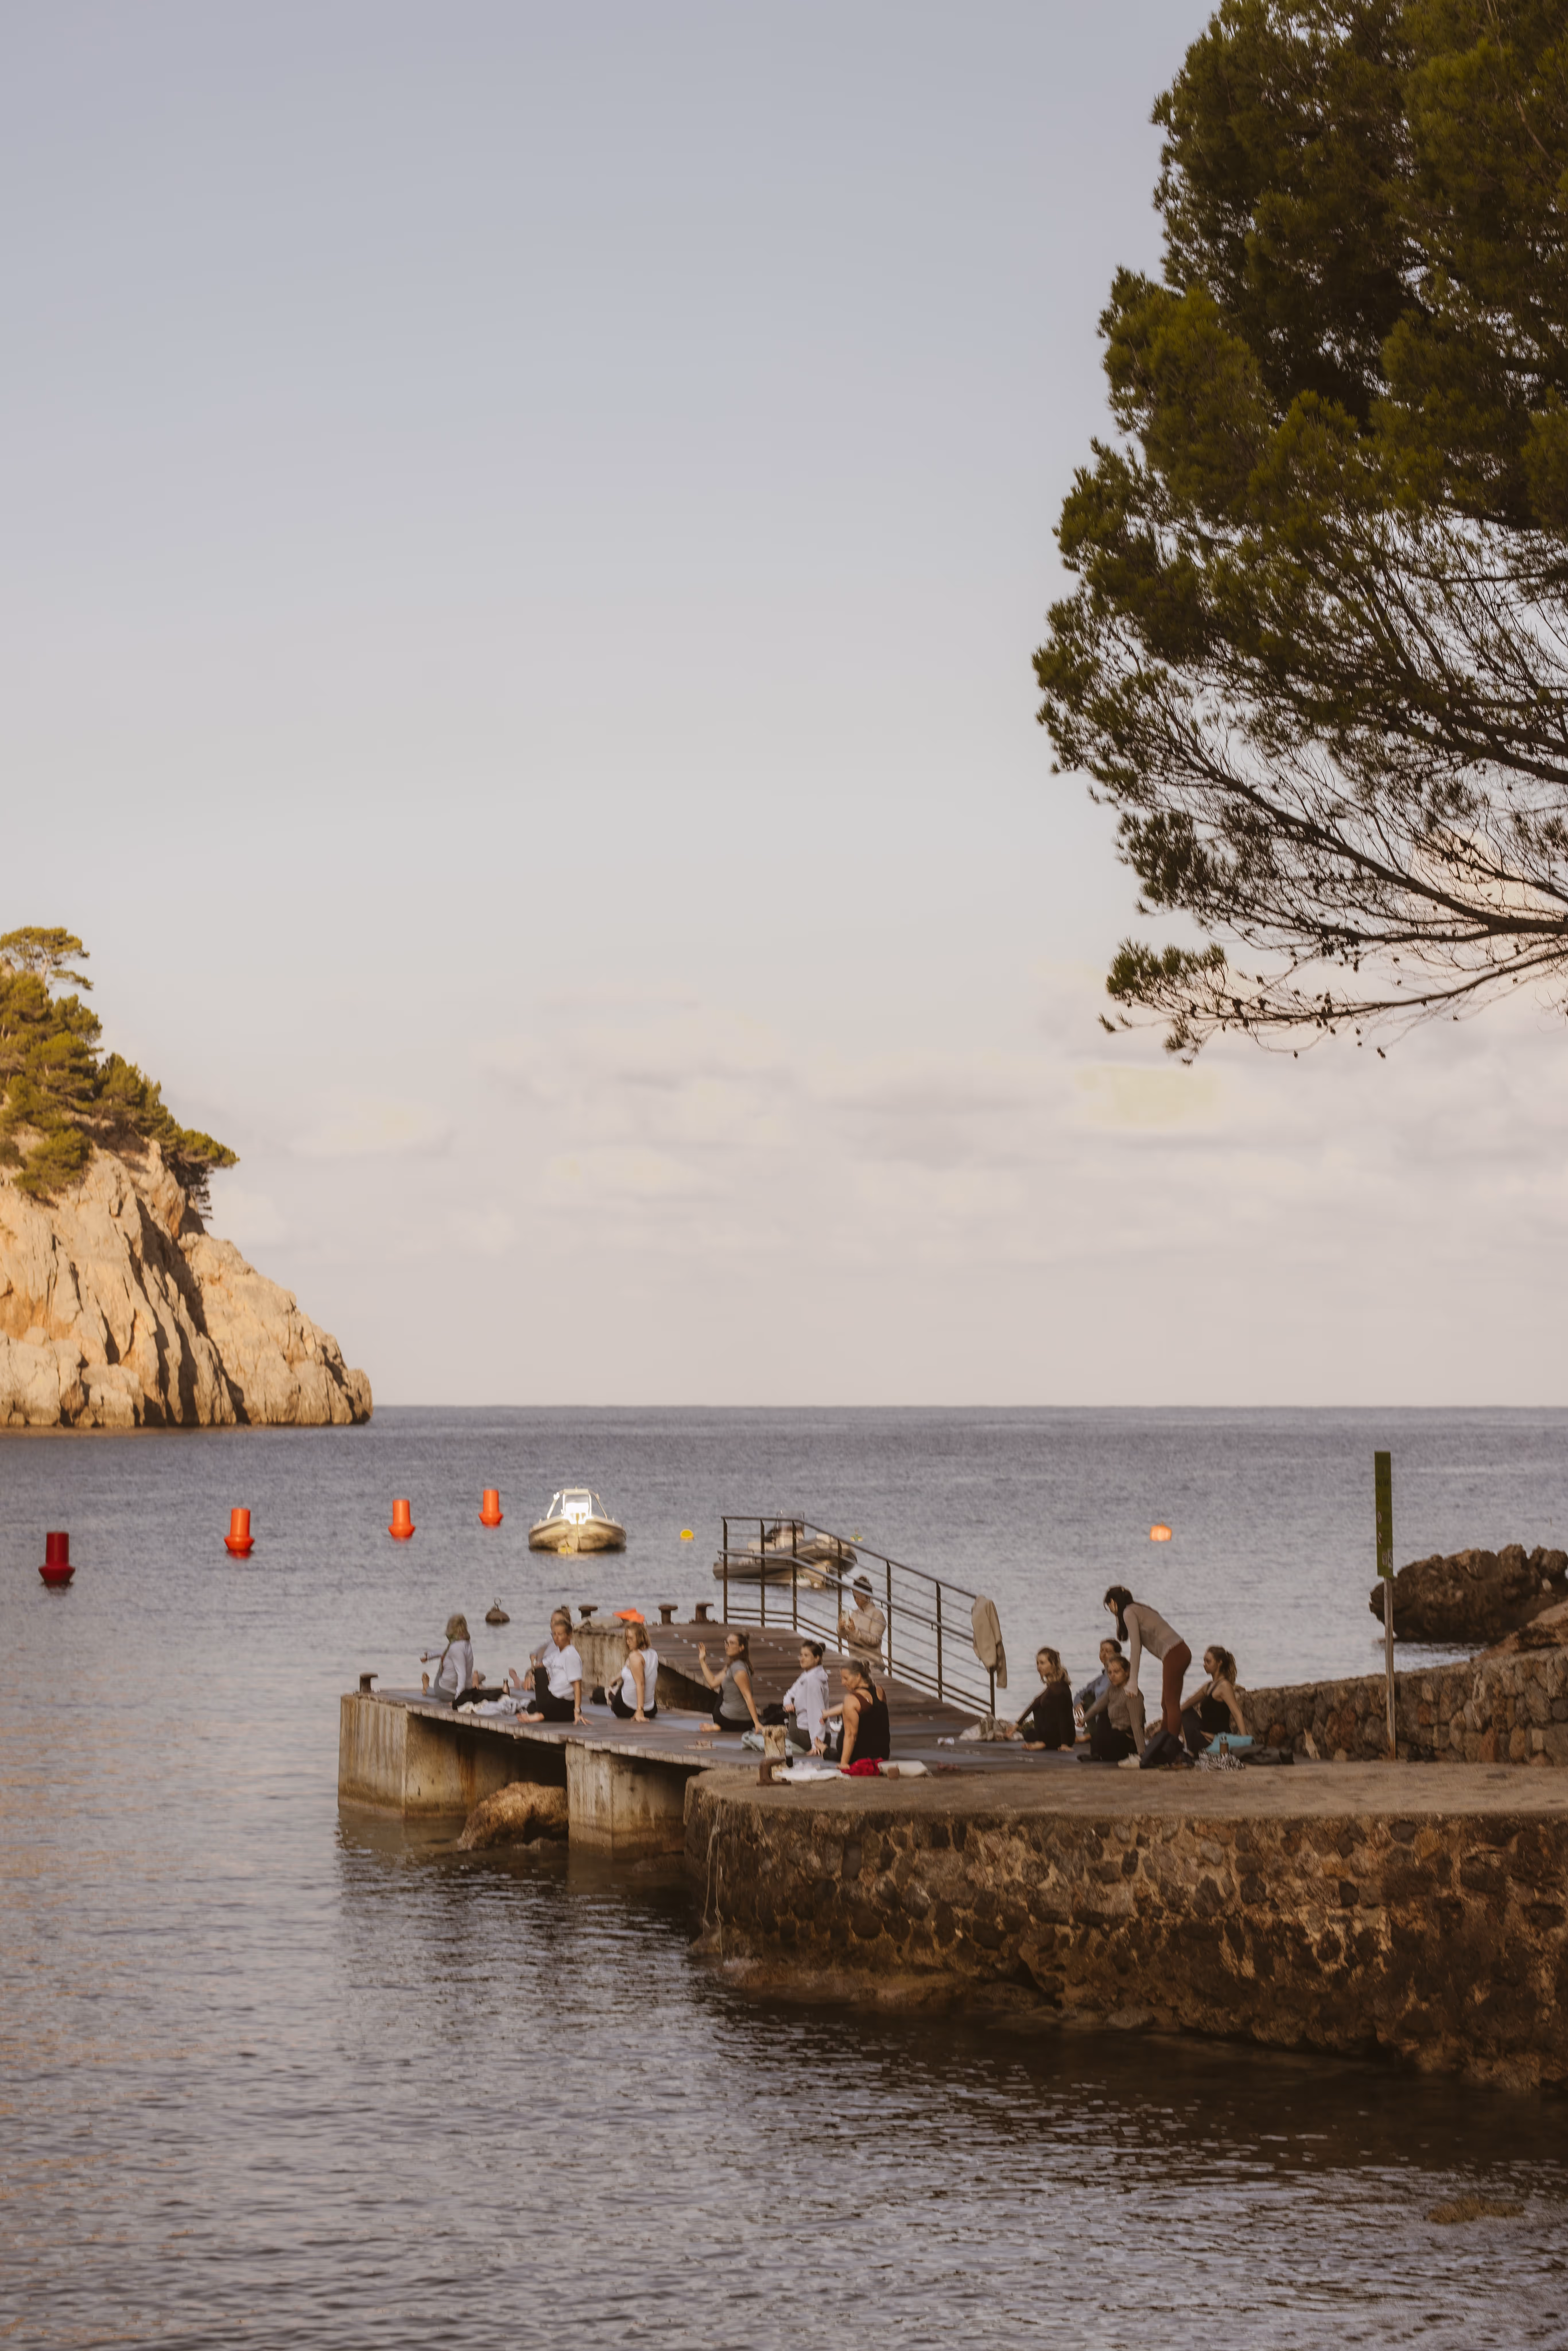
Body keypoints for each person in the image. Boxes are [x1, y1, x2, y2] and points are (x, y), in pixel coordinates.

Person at [1104, 1585, 1191, 1766]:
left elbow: (1136, 1648)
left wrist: (1132, 1682)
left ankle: (1173, 1754)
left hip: (1174, 1653)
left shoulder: (1129, 1612)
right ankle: (1163, 1746)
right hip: (1179, 1652)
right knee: (1166, 1703)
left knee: (1171, 1704)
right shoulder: (1138, 1609)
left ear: (1113, 1603)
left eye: (1110, 1607)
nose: (1112, 1612)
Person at [510, 1609, 584, 1725]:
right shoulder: (557, 1654)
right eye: (555, 1635)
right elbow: (539, 1665)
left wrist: (578, 1711)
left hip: (563, 1703)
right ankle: (540, 1715)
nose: (557, 1638)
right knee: (531, 1704)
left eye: (561, 1635)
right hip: (553, 1702)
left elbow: (577, 1685)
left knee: (540, 1673)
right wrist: (531, 1672)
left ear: (570, 1635)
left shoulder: (571, 1655)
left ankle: (540, 1715)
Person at [824, 1657, 890, 1768]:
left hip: (859, 1758)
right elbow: (862, 1707)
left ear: (858, 1676)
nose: (843, 1683)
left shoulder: (851, 1699)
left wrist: (844, 1764)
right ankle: (824, 1749)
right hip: (882, 1756)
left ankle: (823, 1749)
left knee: (838, 1748)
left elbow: (851, 1736)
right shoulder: (880, 1691)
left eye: (846, 1678)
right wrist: (827, 1714)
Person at [1181, 1646, 1247, 1755]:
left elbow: (1237, 1714)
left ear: (1220, 1663)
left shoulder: (1225, 1686)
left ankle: (1193, 1751)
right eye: (1204, 1661)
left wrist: (1246, 1742)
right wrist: (1164, 1724)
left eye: (1208, 1662)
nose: (1204, 1664)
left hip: (1218, 1741)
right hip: (1204, 1736)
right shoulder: (1208, 1687)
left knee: (1191, 1726)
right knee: (1186, 1712)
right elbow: (1185, 1706)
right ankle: (1191, 1749)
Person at [1080, 1652, 1145, 1763]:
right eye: (1110, 1673)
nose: (1112, 1676)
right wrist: (1084, 1719)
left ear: (1127, 1672)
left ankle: (1103, 1754)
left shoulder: (1132, 1694)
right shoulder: (1112, 1689)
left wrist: (1143, 1754)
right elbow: (1098, 1706)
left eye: (1117, 1672)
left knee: (1110, 1737)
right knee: (1102, 1715)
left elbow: (1137, 1725)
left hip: (1128, 1739)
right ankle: (1096, 1754)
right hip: (1115, 1732)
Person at [696, 1630, 763, 1733]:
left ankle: (719, 1726)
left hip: (729, 1720)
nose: (727, 1646)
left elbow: (748, 1696)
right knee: (726, 1684)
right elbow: (713, 1683)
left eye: (732, 1643)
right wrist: (703, 1661)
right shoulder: (736, 1665)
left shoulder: (738, 1669)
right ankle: (719, 1727)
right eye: (726, 1643)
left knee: (723, 1690)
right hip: (745, 1723)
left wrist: (757, 1723)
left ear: (742, 1648)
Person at [1010, 1647, 1076, 1749]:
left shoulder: (1058, 1688)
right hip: (1052, 1733)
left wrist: (1065, 1745)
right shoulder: (1053, 1685)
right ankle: (1043, 1742)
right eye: (1038, 1663)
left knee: (1038, 1716)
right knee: (1028, 1733)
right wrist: (1017, 1725)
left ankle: (1045, 1743)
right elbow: (1035, 1703)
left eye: (1042, 1663)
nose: (1039, 1667)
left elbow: (1062, 1716)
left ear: (1053, 1664)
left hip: (1064, 1737)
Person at [782, 1638, 831, 1753]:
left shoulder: (812, 1680)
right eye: (801, 1655)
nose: (802, 1659)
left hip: (809, 1736)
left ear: (817, 1658)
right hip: (811, 1733)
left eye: (806, 1656)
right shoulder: (807, 1676)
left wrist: (816, 1744)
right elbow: (789, 1694)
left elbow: (817, 1712)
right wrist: (788, 1704)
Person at [607, 1621, 659, 1722]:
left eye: (631, 1639)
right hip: (651, 1710)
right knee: (625, 1680)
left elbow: (641, 1684)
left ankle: (606, 1694)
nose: (628, 1642)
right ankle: (611, 1689)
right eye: (627, 1638)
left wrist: (640, 1711)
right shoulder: (654, 1654)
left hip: (626, 1708)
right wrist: (615, 1679)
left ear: (640, 1638)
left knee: (601, 1694)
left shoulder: (635, 1657)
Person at [421, 1614, 475, 1705]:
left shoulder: (455, 1647)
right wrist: (430, 1656)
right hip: (464, 1690)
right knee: (447, 1657)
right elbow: (449, 1653)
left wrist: (458, 1701)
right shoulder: (466, 1643)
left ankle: (426, 1688)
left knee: (437, 1690)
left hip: (446, 1691)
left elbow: (462, 1674)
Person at [837, 1574, 886, 1660]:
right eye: (855, 1597)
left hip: (873, 1663)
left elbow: (875, 1641)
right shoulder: (854, 1614)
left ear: (868, 1596)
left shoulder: (877, 1614)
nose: (857, 1600)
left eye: (859, 1597)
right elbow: (844, 1637)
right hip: (855, 1661)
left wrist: (855, 1631)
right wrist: (841, 1628)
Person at [1074, 1638, 1125, 1716]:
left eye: (1108, 1652)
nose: (1104, 1655)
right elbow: (1082, 1692)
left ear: (1117, 1655)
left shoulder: (1122, 1677)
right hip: (1101, 1721)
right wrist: (1077, 1702)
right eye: (1102, 1651)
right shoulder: (1101, 1678)